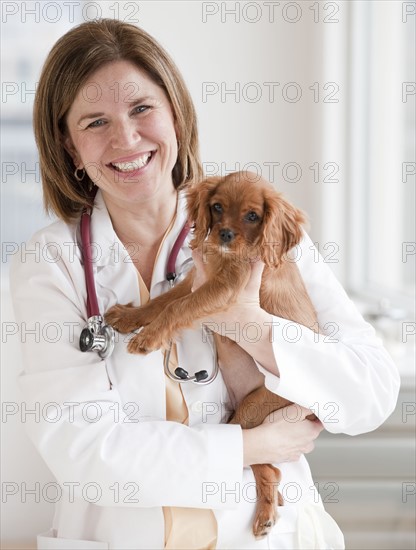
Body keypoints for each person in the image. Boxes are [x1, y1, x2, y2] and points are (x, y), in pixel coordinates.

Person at [10, 18, 400, 550]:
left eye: (142, 109)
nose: (126, 138)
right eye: (95, 121)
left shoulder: (263, 227)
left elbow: (371, 395)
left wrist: (249, 323)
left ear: (177, 114)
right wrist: (255, 444)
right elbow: (86, 454)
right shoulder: (49, 264)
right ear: (71, 148)